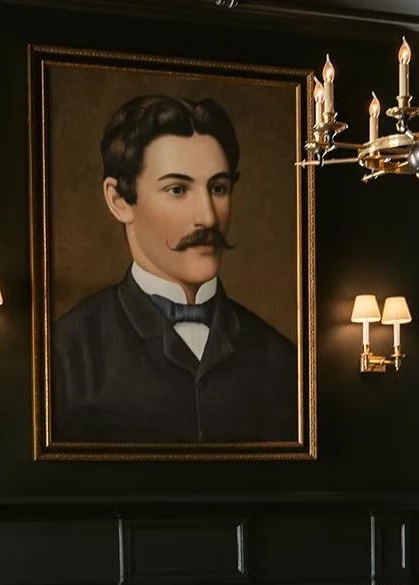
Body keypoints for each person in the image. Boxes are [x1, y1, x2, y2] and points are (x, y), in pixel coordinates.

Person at [50, 94, 299, 445]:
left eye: (218, 188)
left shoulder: (283, 360)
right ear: (119, 200)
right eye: (178, 189)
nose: (209, 217)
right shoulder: (65, 353)